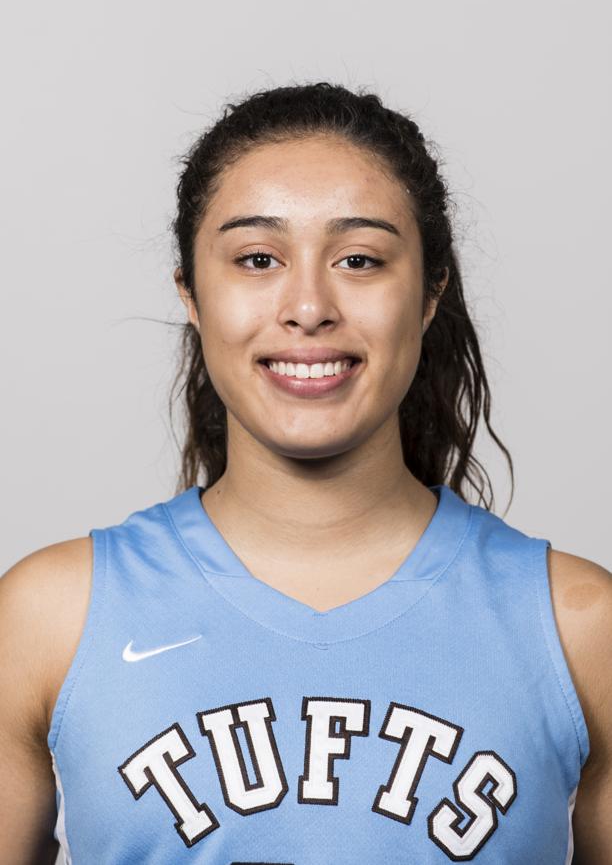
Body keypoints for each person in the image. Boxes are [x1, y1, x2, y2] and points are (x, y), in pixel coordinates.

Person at [1, 82, 610, 865]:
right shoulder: (51, 618)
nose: (309, 305)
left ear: (430, 294)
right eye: (258, 259)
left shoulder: (577, 625)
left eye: (359, 260)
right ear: (191, 292)